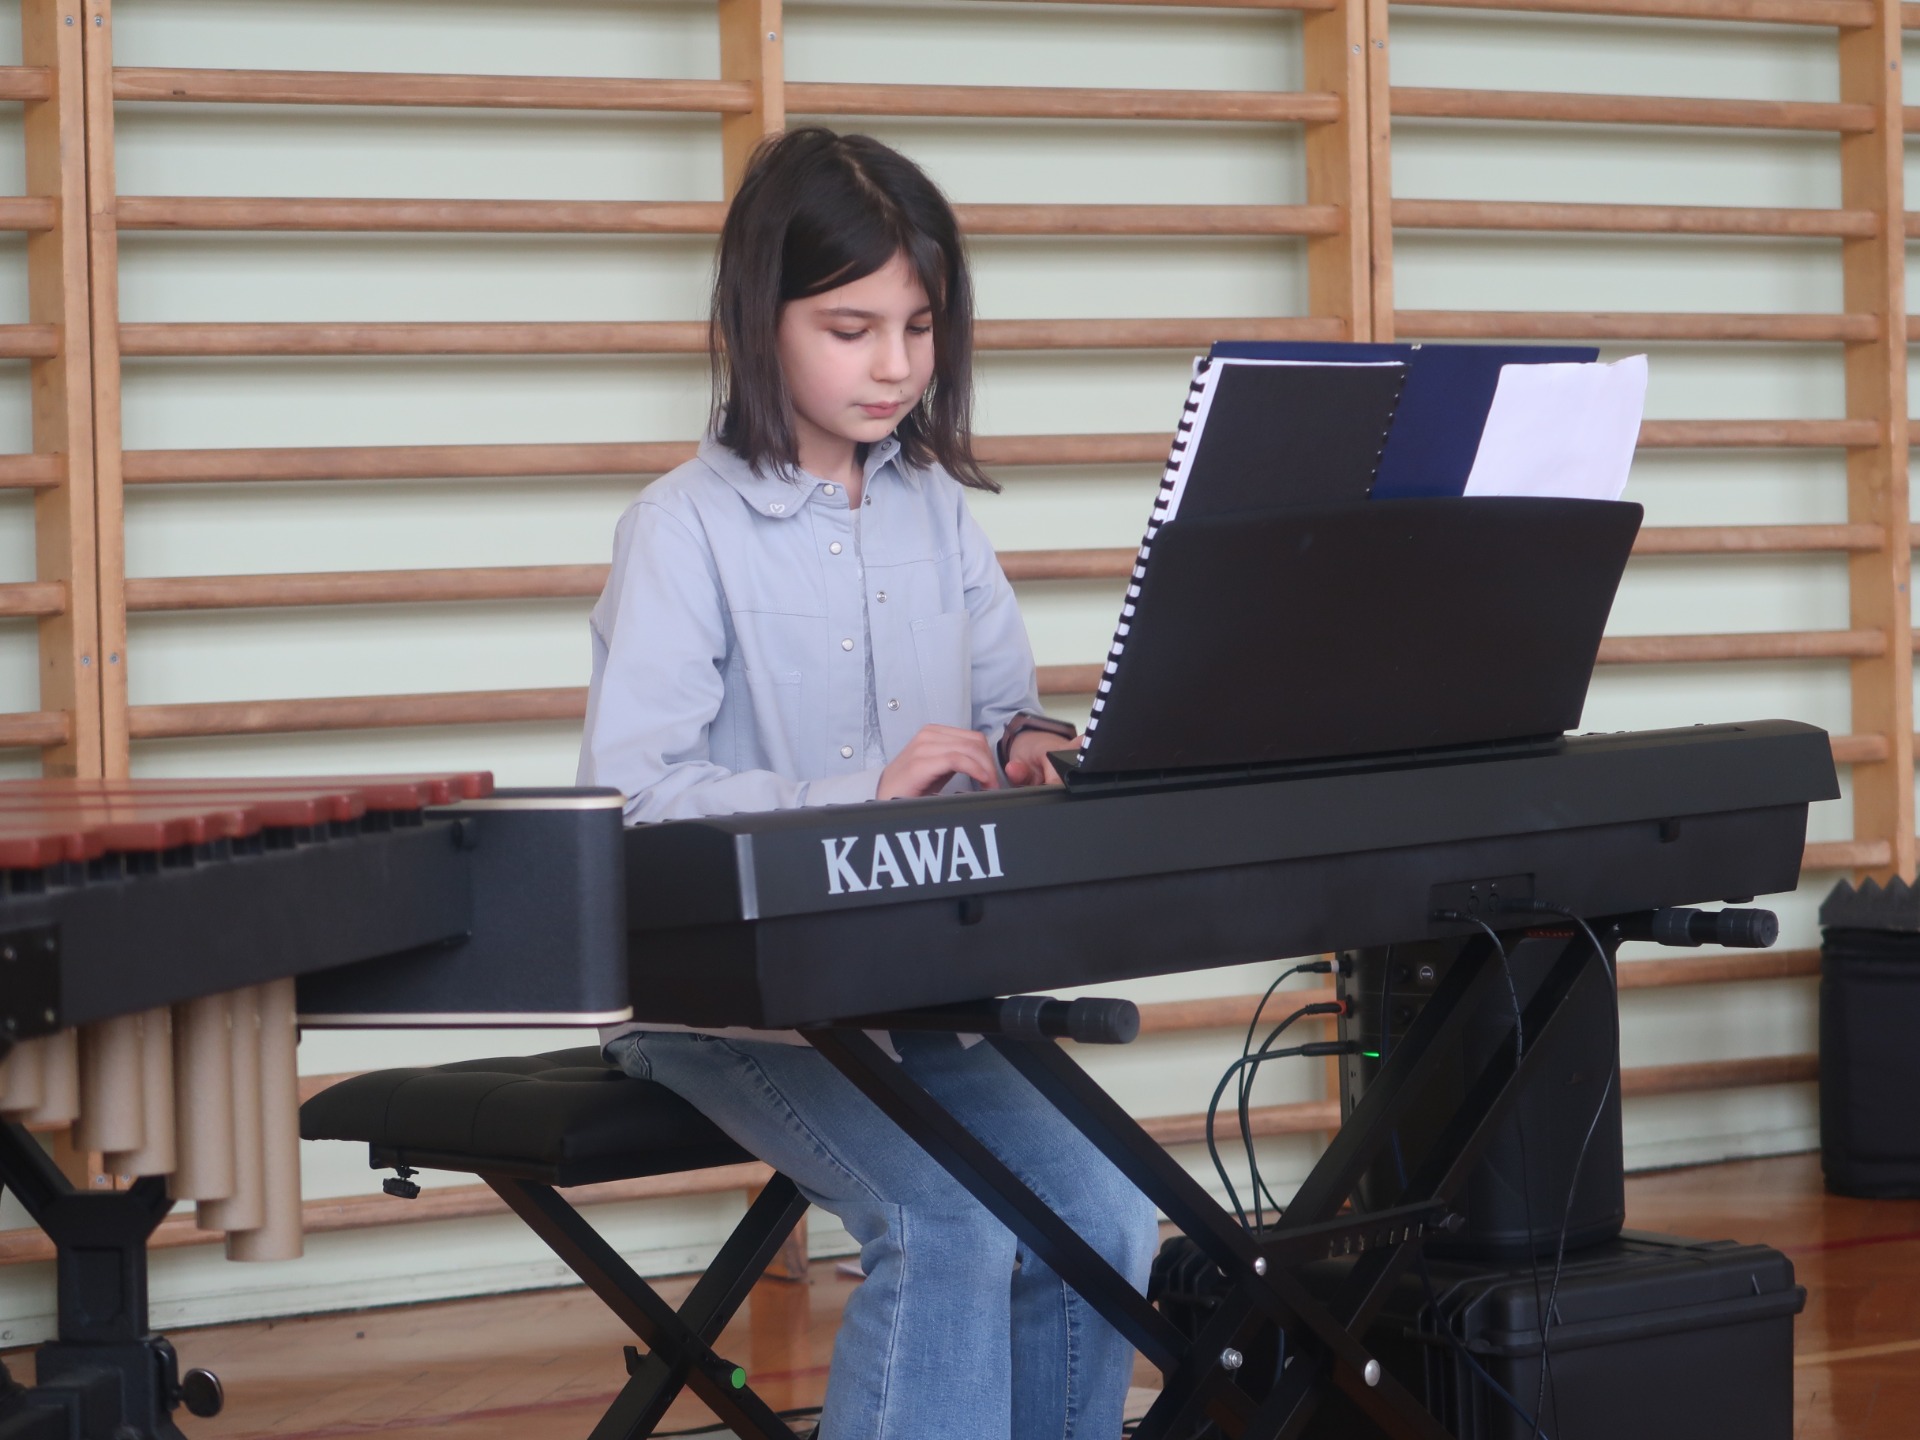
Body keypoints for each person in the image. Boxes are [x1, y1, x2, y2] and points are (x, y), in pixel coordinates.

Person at [578, 127, 1158, 1440]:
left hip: (908, 984)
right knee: (948, 1223)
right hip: (724, 1006)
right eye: (852, 329)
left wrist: (1031, 752)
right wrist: (862, 789)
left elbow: (1007, 716)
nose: (895, 364)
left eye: (920, 327)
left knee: (1108, 1214)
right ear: (760, 321)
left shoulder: (939, 512)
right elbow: (635, 801)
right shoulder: (682, 529)